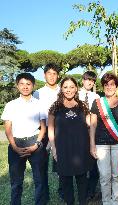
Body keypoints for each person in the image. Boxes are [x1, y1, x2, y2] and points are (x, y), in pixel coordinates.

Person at [1, 73, 46, 205]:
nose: (25, 87)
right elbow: (7, 127)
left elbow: (43, 127)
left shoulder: (39, 104)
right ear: (17, 86)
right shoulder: (11, 105)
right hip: (16, 143)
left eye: (28, 84)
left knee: (40, 180)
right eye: (22, 83)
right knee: (16, 182)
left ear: (33, 85)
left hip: (35, 142)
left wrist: (36, 144)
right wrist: (14, 146)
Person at [48, 77, 93, 205]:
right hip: (62, 150)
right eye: (65, 87)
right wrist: (54, 149)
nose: (68, 90)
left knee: (82, 181)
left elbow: (90, 127)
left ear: (76, 89)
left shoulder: (83, 106)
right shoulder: (54, 107)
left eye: (72, 87)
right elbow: (50, 129)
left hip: (81, 149)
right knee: (65, 182)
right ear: (61, 89)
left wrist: (91, 146)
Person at [89, 73, 118, 205]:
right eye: (106, 84)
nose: (109, 87)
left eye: (112, 84)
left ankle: (114, 200)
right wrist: (92, 145)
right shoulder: (97, 103)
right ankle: (106, 201)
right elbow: (93, 125)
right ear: (103, 86)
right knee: (104, 176)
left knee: (116, 175)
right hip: (101, 145)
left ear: (117, 86)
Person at [33, 63, 61, 201]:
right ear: (44, 75)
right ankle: (44, 196)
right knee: (41, 166)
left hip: (61, 132)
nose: (52, 76)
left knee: (61, 164)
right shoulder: (37, 93)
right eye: (49, 73)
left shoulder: (63, 90)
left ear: (58, 75)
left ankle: (63, 192)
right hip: (43, 131)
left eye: (54, 73)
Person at [78, 71, 100, 200]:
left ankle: (91, 191)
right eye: (87, 80)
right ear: (83, 80)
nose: (90, 82)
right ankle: (83, 191)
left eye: (92, 80)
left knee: (93, 165)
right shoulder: (75, 94)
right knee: (81, 164)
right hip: (79, 133)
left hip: (93, 132)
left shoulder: (96, 96)